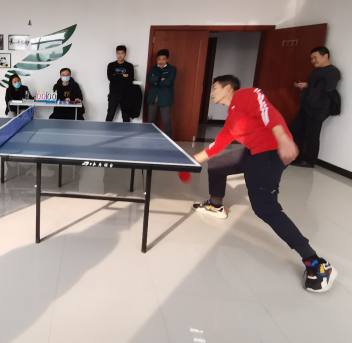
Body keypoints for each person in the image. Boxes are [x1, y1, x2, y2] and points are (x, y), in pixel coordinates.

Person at [191, 75, 336, 293]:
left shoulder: (248, 94)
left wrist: (283, 138)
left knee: (264, 208)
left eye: (214, 88)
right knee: (217, 164)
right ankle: (215, 205)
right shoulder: (232, 116)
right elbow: (217, 145)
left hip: (272, 152)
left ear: (228, 88)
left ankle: (315, 262)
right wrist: (190, 162)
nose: (211, 93)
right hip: (253, 152)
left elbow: (268, 113)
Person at [289, 47, 341, 168]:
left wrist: (309, 86)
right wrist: (306, 85)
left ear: (325, 56)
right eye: (311, 58)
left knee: (312, 135)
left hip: (318, 108)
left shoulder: (332, 71)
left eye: (315, 57)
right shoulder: (317, 71)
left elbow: (329, 88)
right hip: (307, 107)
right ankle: (294, 156)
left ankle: (309, 161)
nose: (313, 61)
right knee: (294, 130)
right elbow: (316, 86)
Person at [146, 49, 176, 139]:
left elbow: (169, 82)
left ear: (167, 59)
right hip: (153, 98)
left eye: (163, 59)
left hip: (165, 99)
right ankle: (149, 139)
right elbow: (149, 79)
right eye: (159, 59)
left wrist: (156, 80)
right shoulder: (153, 68)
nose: (161, 61)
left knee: (166, 122)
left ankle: (170, 141)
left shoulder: (172, 69)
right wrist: (160, 79)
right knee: (150, 122)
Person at [105, 45, 134, 122]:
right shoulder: (111, 65)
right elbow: (110, 78)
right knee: (110, 115)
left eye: (122, 53)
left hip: (126, 95)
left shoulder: (129, 66)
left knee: (126, 116)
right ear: (116, 54)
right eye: (118, 53)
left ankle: (126, 130)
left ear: (125, 54)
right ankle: (106, 129)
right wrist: (122, 75)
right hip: (113, 94)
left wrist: (116, 76)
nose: (120, 55)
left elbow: (130, 79)